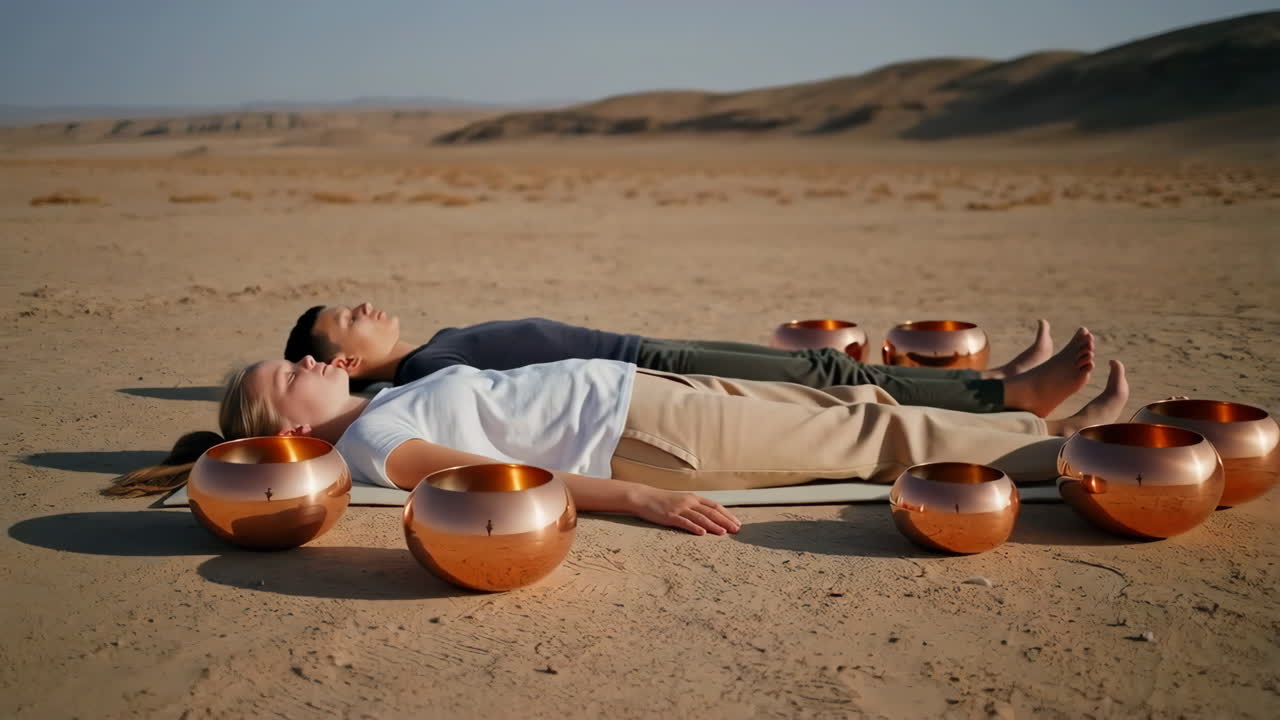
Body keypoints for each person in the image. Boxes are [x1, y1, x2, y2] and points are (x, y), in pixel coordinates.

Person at [110, 331, 1129, 536]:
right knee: (875, 448)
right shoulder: (376, 450)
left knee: (855, 411)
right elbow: (510, 478)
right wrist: (639, 499)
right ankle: (1083, 456)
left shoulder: (377, 407)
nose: (313, 360)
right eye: (291, 372)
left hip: (635, 394)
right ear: (283, 423)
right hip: (639, 442)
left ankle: (1060, 425)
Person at [284, 302, 1087, 416]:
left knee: (830, 372)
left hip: (647, 350)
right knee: (828, 379)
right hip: (651, 374)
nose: (361, 308)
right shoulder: (425, 375)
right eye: (343, 320)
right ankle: (1007, 399)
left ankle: (1002, 382)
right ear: (345, 363)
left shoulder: (431, 347)